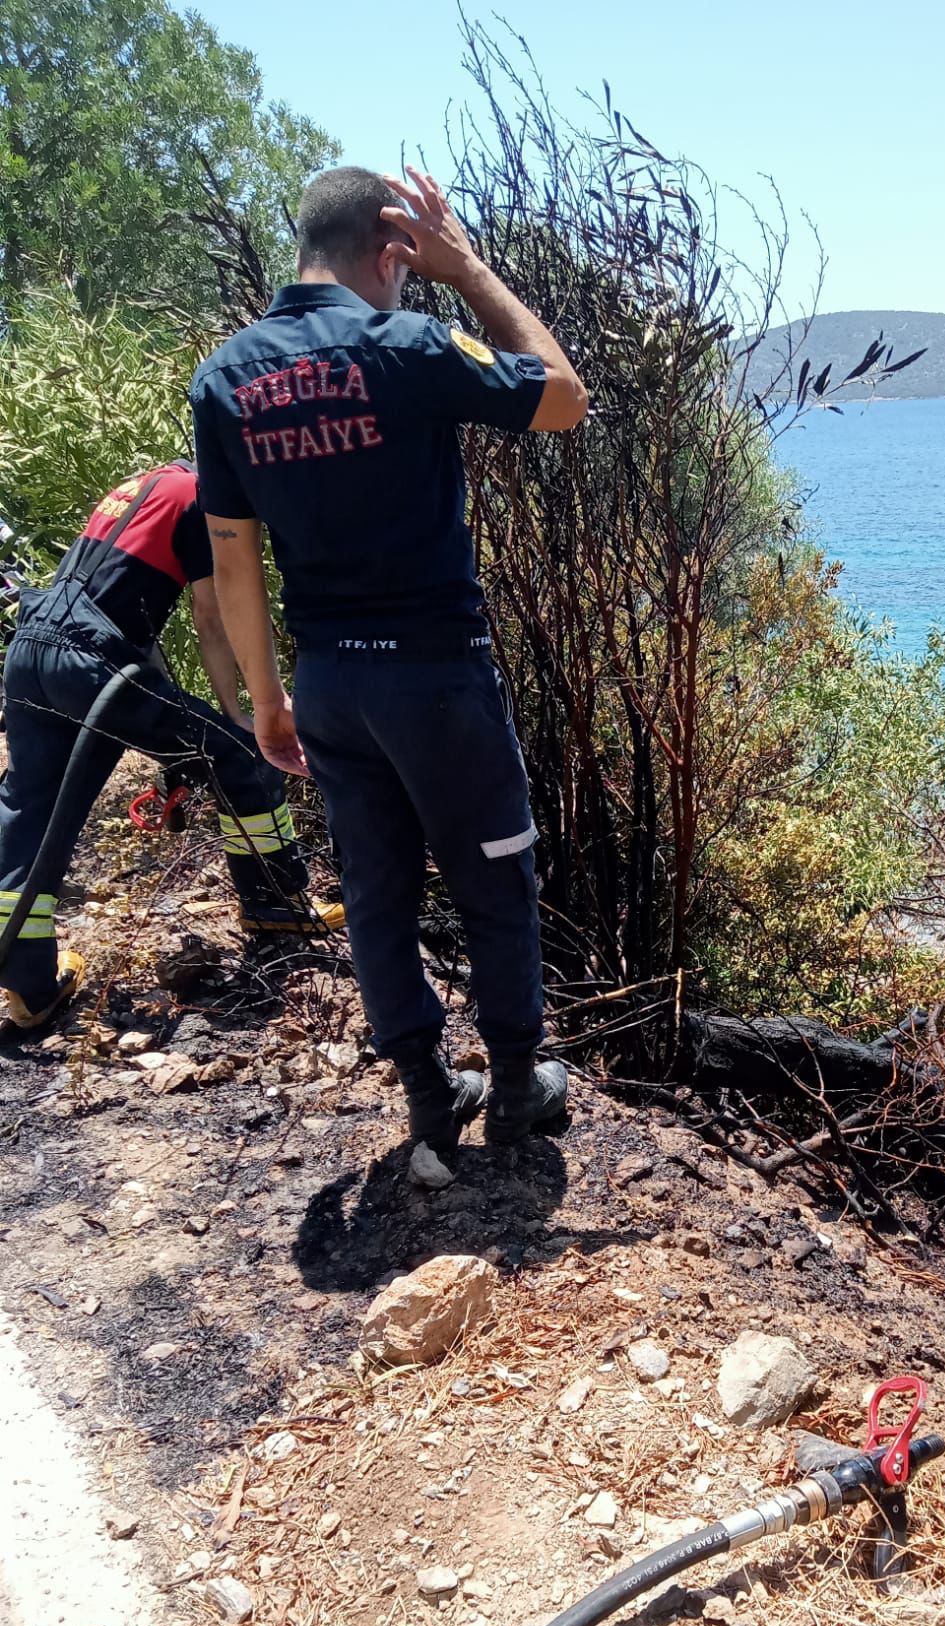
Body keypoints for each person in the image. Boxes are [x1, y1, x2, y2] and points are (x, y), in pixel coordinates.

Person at [189, 165, 588, 1185]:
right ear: (390, 245)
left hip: (330, 683)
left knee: (376, 892)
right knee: (495, 877)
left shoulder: (227, 376)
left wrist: (268, 701)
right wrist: (473, 272)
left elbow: (233, 554)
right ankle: (511, 1088)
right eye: (411, 263)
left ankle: (425, 1093)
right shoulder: (405, 345)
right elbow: (563, 399)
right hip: (436, 678)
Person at [0, 459, 341, 1031]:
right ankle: (276, 905)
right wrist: (238, 722)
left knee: (31, 805)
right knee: (238, 757)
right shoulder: (205, 497)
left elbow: (114, 613)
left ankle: (28, 983)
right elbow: (214, 619)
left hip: (33, 650)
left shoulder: (145, 484)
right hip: (90, 661)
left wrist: (168, 738)